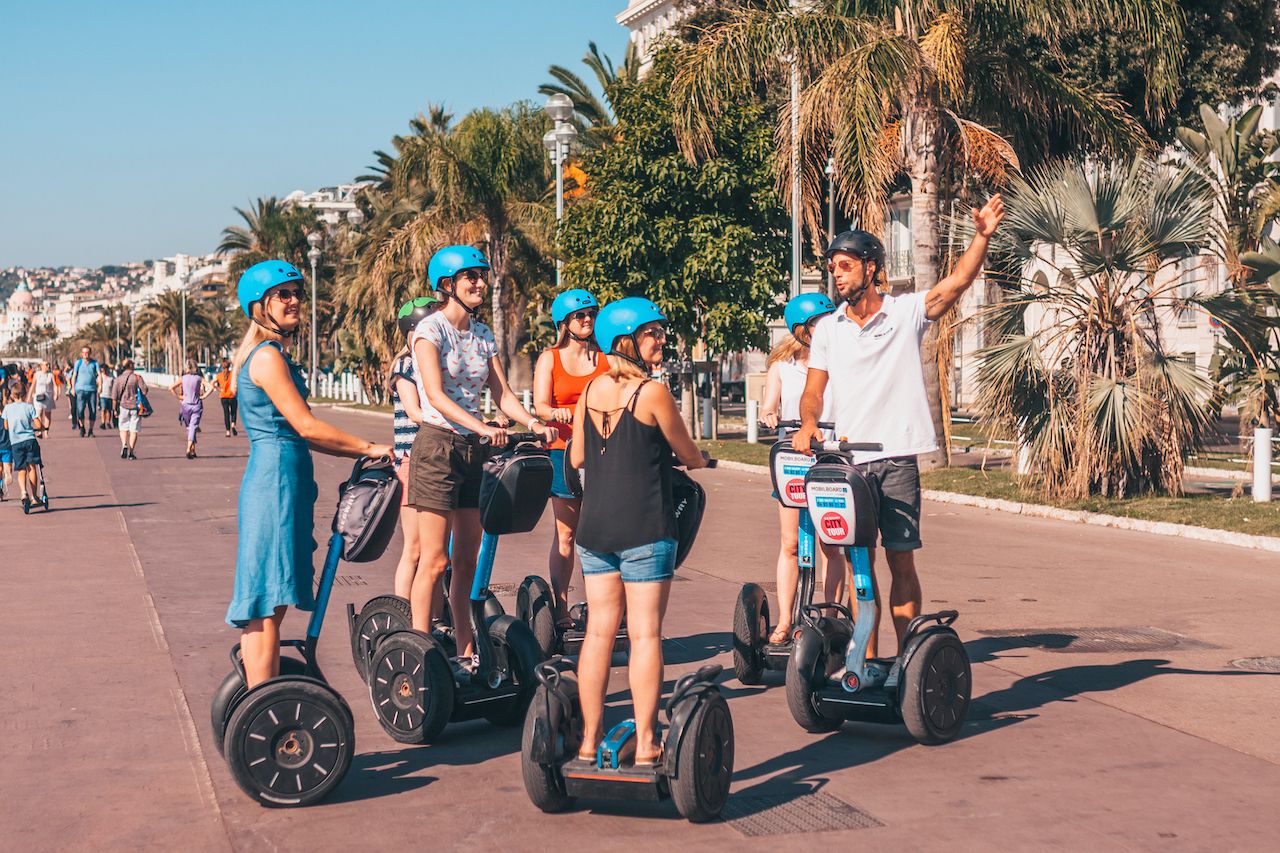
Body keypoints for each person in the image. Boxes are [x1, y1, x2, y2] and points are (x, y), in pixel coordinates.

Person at [792, 195, 1006, 657]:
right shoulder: (829, 329)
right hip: (849, 462)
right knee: (858, 561)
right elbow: (814, 391)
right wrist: (809, 424)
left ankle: (908, 657)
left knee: (900, 559)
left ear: (871, 268)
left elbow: (955, 284)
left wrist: (982, 237)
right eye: (833, 267)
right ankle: (863, 661)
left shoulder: (905, 312)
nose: (837, 274)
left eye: (845, 265)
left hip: (896, 460)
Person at [224, 260, 392, 689]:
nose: (295, 299)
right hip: (275, 483)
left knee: (273, 604)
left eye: (297, 291)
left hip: (287, 479)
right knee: (265, 608)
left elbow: (306, 433)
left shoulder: (274, 355)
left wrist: (361, 452)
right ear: (260, 306)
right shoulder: (265, 357)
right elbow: (307, 426)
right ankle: (263, 706)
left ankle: (264, 702)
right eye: (284, 294)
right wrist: (371, 446)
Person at [568, 296, 708, 765]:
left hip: (594, 528)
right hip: (645, 527)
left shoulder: (589, 392)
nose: (662, 339)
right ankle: (647, 742)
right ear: (626, 339)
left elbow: (578, 458)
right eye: (653, 332)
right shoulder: (651, 392)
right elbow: (688, 454)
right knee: (645, 634)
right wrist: (695, 460)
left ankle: (589, 741)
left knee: (599, 635)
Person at [408, 245, 556, 677]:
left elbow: (504, 395)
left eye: (480, 274)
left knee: (467, 564)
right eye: (468, 276)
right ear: (446, 285)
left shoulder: (483, 334)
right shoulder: (429, 332)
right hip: (438, 446)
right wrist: (479, 425)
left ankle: (467, 653)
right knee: (435, 561)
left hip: (473, 452)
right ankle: (422, 655)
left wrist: (532, 420)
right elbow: (434, 395)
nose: (478, 282)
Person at [760, 292, 848, 642]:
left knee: (831, 542)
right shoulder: (782, 367)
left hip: (830, 455)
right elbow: (768, 405)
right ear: (801, 330)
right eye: (817, 325)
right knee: (790, 543)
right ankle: (785, 621)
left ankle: (830, 620)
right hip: (793, 461)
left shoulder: (841, 364)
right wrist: (769, 417)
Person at [532, 288, 611, 629]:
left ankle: (602, 608)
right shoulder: (550, 358)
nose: (588, 320)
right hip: (563, 453)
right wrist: (559, 414)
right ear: (564, 322)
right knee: (567, 535)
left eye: (592, 314)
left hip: (604, 453)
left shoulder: (606, 356)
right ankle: (561, 607)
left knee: (602, 534)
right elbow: (540, 406)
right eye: (581, 316)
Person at [388, 295, 439, 600]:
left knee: (435, 551)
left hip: (437, 458)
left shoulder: (437, 364)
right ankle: (405, 615)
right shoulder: (406, 365)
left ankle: (432, 616)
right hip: (412, 460)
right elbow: (415, 412)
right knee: (416, 548)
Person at [2, 377, 45, 513]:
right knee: (32, 467)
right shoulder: (29, 407)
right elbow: (37, 424)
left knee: (21, 469)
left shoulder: (7, 409)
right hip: (30, 440)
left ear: (12, 395)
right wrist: (41, 429)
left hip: (16, 443)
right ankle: (34, 496)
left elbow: (6, 426)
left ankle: (23, 493)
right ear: (25, 394)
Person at [170, 359, 215, 459]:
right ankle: (188, 448)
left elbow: (171, 388)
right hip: (196, 405)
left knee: (190, 428)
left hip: (185, 405)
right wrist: (203, 397)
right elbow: (211, 387)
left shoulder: (184, 378)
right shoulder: (199, 378)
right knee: (193, 427)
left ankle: (193, 450)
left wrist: (179, 397)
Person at [111, 358, 149, 460]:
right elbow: (145, 390)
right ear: (131, 366)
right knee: (134, 430)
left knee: (123, 428)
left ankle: (124, 445)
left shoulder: (118, 379)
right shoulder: (137, 378)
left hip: (123, 406)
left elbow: (114, 396)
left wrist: (114, 409)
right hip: (135, 407)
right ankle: (131, 452)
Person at [70, 346, 100, 437]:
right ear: (81, 354)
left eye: (87, 352)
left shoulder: (94, 363)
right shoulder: (78, 363)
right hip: (80, 389)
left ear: (90, 353)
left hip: (92, 390)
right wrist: (72, 388)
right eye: (84, 352)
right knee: (80, 410)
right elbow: (74, 375)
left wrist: (100, 386)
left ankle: (91, 430)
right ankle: (82, 428)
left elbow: (99, 375)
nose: (85, 354)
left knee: (93, 410)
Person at [31, 360, 58, 438]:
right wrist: (32, 394)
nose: (47, 366)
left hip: (48, 396)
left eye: (48, 365)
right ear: (41, 366)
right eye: (45, 365)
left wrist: (56, 394)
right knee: (38, 413)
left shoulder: (51, 375)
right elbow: (33, 385)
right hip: (38, 396)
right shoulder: (37, 374)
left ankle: (46, 431)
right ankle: (39, 430)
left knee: (47, 414)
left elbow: (55, 385)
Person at [214, 358, 238, 437]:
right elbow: (236, 383)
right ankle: (233, 424)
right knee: (233, 411)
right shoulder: (233, 374)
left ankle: (228, 431)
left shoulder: (219, 375)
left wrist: (219, 389)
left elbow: (212, 383)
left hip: (223, 396)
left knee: (226, 413)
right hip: (232, 395)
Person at [0, 380, 13, 501]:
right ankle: (8, 474)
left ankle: (0, 491)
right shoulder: (6, 419)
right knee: (7, 467)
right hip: (7, 447)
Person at [98, 361, 116, 431]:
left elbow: (115, 383)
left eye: (104, 369)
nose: (103, 370)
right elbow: (97, 383)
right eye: (102, 369)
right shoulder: (100, 376)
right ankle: (103, 422)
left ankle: (108, 422)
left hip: (110, 395)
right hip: (102, 395)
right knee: (103, 409)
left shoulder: (111, 376)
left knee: (109, 410)